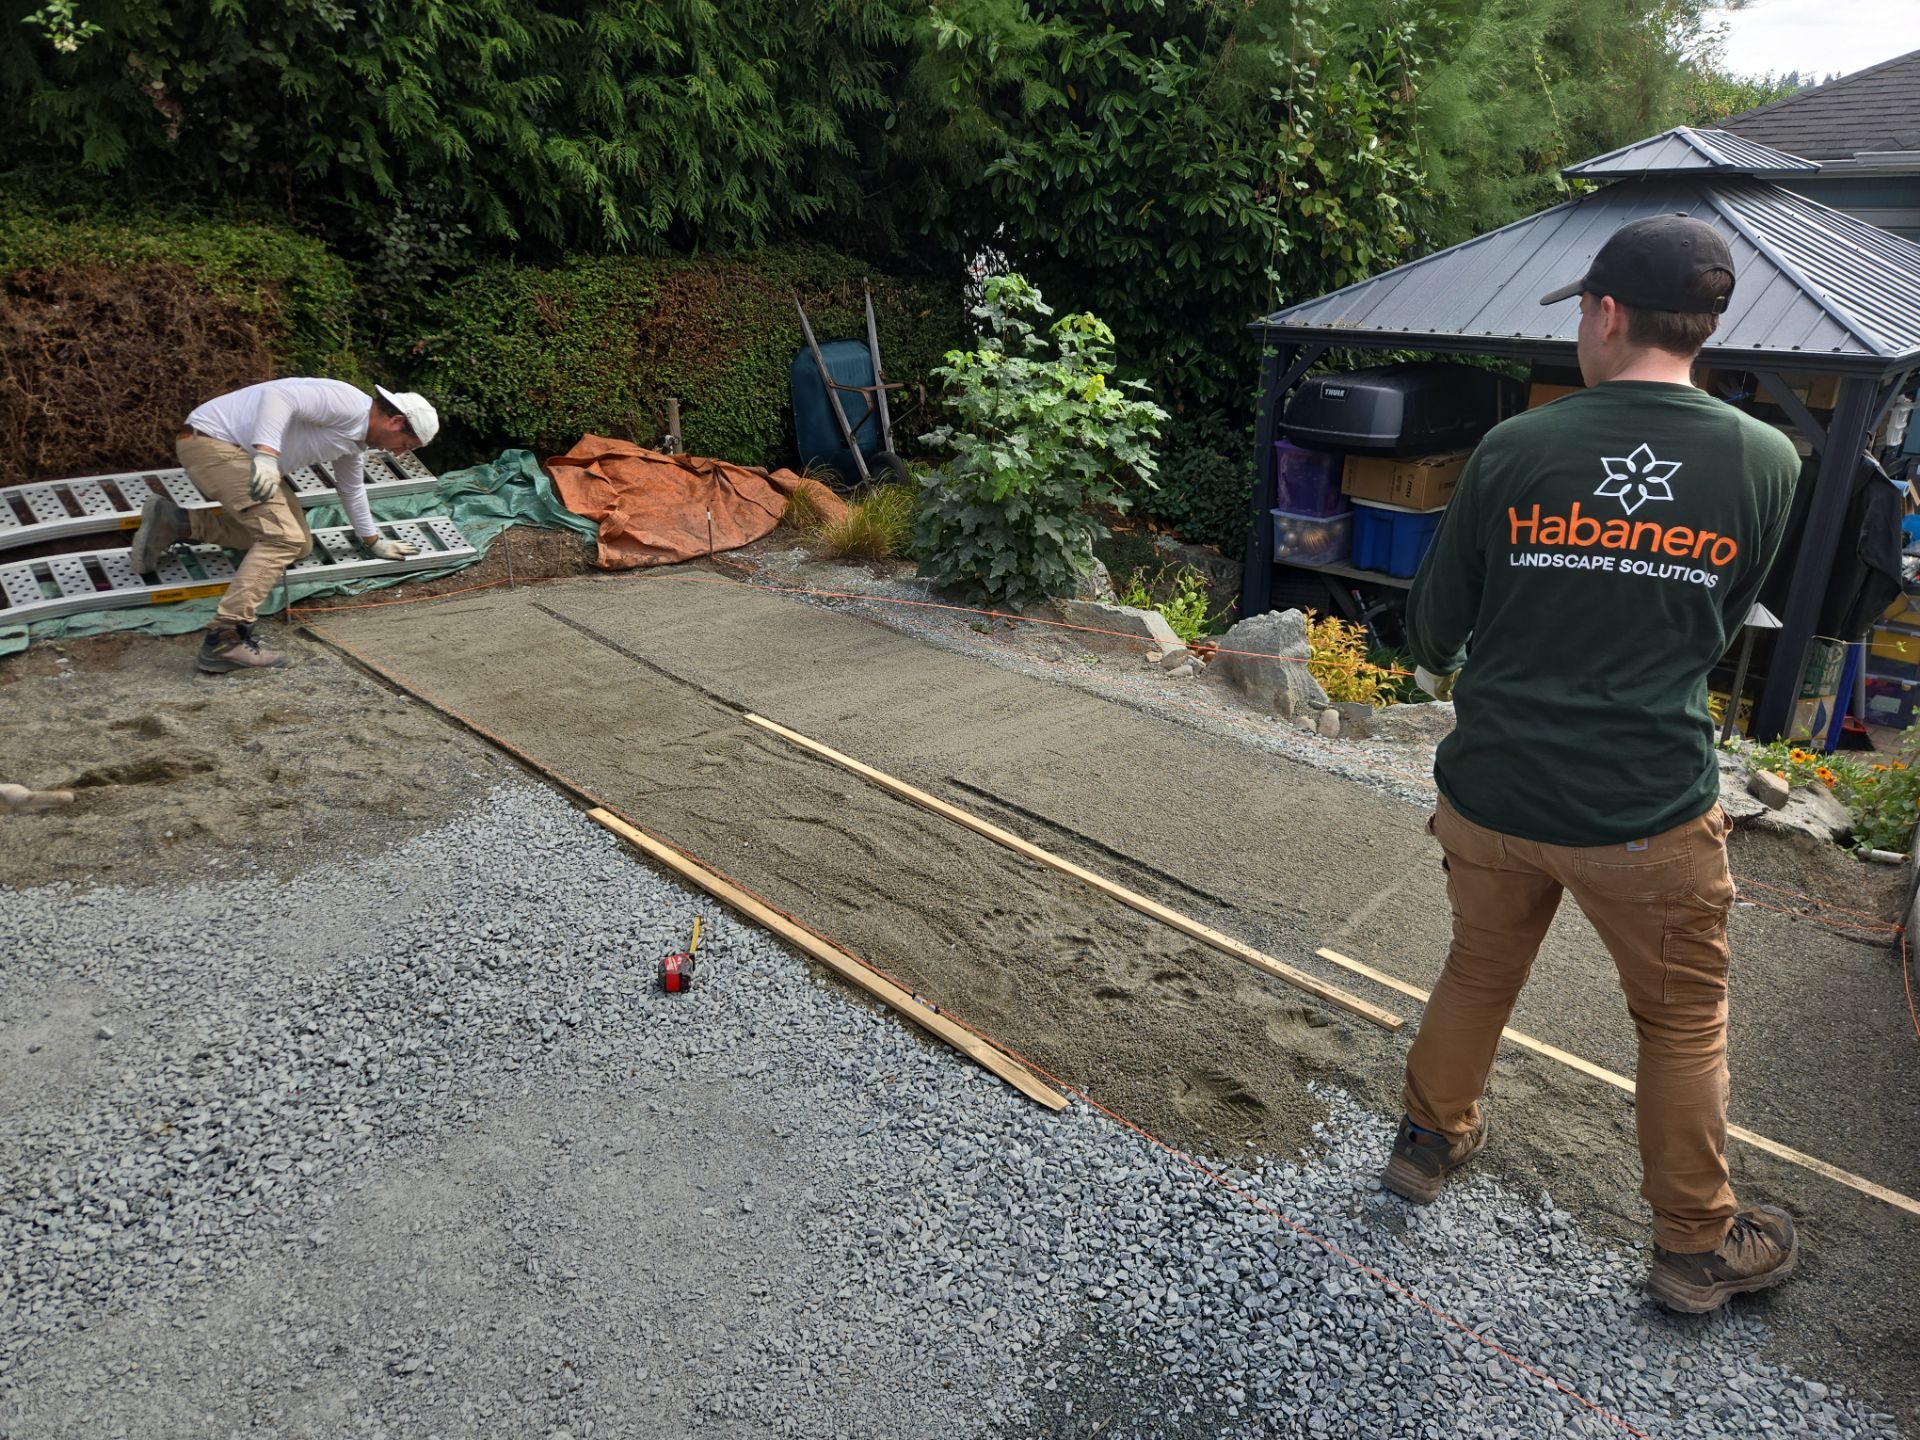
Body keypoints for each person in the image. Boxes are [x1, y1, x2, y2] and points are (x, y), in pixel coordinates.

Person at [1383, 215, 1802, 1315]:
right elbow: (1717, 619)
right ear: (1702, 323)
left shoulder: (1515, 450)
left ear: (1608, 315)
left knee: (1480, 969)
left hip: (1494, 791)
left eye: (1580, 308)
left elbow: (1430, 630)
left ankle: (1427, 1144)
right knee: (1679, 1022)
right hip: (1645, 810)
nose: (1580, 324)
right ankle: (1694, 1248)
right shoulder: (1769, 459)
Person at [127, 379, 440, 673]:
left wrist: (373, 540)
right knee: (283, 538)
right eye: (404, 444)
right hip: (213, 444)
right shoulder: (349, 403)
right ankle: (225, 638)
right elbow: (280, 397)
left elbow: (351, 488)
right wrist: (266, 455)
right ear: (396, 421)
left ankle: (178, 523)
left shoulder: (357, 441)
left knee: (299, 543)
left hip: (239, 455)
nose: (398, 452)